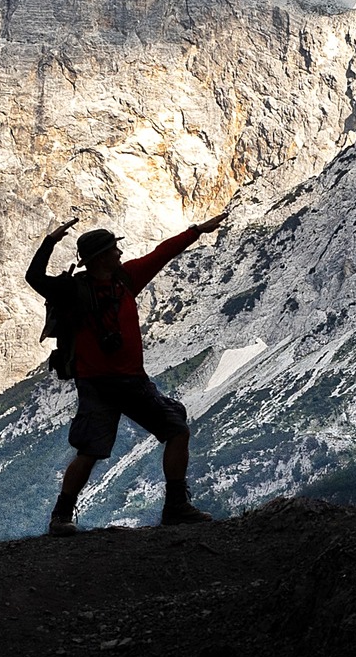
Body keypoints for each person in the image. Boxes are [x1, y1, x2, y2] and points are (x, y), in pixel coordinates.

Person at [26, 213, 225, 534]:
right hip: (122, 383)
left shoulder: (103, 282)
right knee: (175, 429)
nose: (120, 254)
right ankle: (176, 507)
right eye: (114, 250)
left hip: (102, 384)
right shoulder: (121, 280)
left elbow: (162, 252)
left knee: (90, 451)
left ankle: (60, 517)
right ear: (102, 256)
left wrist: (196, 232)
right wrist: (50, 241)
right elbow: (34, 277)